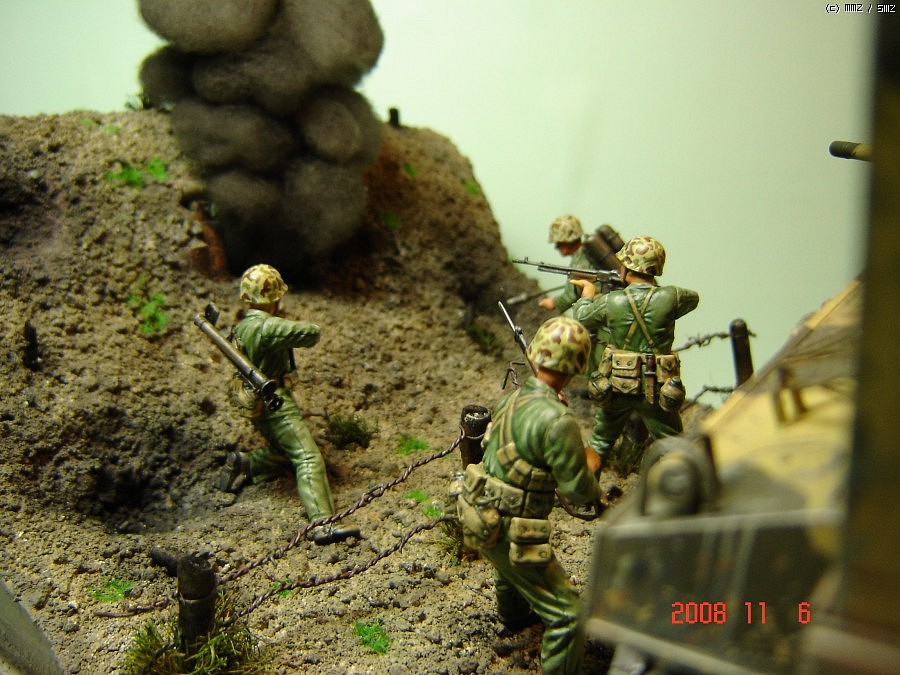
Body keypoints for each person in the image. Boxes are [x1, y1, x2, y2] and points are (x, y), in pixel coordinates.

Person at [457, 316, 602, 674]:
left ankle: (514, 616)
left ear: (536, 354)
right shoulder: (557, 420)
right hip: (513, 529)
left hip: (479, 511)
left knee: (508, 568)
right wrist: (594, 481)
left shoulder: (511, 399)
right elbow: (576, 489)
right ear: (577, 366)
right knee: (569, 616)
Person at [217, 264, 356, 545]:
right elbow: (311, 333)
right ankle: (322, 523)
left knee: (285, 450)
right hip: (275, 401)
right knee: (308, 457)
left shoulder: (242, 327)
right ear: (274, 298)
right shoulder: (267, 326)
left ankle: (246, 464)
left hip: (255, 400)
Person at [571, 236, 699, 464]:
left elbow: (582, 318)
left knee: (600, 442)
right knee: (673, 445)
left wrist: (587, 294)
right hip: (656, 387)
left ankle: (586, 486)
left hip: (618, 383)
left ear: (626, 267)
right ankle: (681, 480)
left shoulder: (612, 301)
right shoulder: (672, 296)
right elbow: (693, 299)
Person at [538, 215, 599, 314]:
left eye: (558, 243)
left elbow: (570, 296)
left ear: (566, 242)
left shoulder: (580, 261)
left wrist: (553, 303)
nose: (557, 247)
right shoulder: (589, 251)